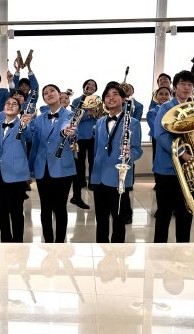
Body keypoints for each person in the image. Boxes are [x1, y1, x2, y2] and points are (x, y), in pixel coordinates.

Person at [153, 70, 194, 243]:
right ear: (175, 87)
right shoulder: (166, 107)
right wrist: (182, 153)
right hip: (167, 169)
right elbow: (160, 134)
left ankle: (183, 250)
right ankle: (158, 250)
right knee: (164, 212)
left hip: (190, 169)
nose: (187, 88)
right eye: (182, 84)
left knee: (186, 211)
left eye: (190, 85)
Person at [91, 82, 143, 243]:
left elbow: (137, 150)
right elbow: (97, 149)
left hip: (119, 177)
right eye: (107, 95)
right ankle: (101, 247)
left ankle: (117, 252)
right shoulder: (99, 122)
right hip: (99, 177)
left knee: (119, 219)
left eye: (115, 94)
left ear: (123, 99)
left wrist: (129, 154)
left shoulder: (133, 122)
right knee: (101, 219)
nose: (111, 98)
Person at [28, 84, 77, 243]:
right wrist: (30, 169)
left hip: (62, 167)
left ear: (59, 94)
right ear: (43, 98)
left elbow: (68, 127)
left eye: (52, 91)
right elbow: (35, 145)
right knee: (45, 207)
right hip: (42, 168)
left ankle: (60, 243)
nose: (49, 94)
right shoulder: (39, 118)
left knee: (60, 207)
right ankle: (48, 242)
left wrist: (66, 131)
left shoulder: (70, 114)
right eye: (45, 93)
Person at [0, 96, 34, 242]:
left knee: (16, 212)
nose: (10, 105)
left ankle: (18, 243)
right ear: (3, 107)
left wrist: (25, 125)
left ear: (19, 110)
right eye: (8, 103)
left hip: (16, 175)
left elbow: (28, 137)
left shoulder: (23, 124)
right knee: (1, 212)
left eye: (14, 104)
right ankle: (5, 242)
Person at [70, 79, 99, 210]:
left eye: (93, 85)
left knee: (93, 160)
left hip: (94, 136)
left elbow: (101, 115)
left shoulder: (98, 101)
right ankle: (81, 182)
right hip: (80, 136)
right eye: (89, 84)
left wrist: (97, 113)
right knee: (80, 162)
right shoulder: (77, 101)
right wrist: (89, 113)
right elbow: (75, 117)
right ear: (84, 87)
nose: (91, 86)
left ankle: (92, 182)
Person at [118, 82, 143, 224]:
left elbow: (137, 149)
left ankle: (126, 212)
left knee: (125, 186)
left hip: (128, 141)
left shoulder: (136, 106)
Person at [147, 86, 171, 162]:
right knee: (159, 161)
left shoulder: (173, 111)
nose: (164, 96)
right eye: (161, 94)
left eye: (166, 94)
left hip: (173, 141)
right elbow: (157, 129)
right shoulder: (152, 112)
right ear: (156, 97)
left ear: (170, 97)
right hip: (158, 141)